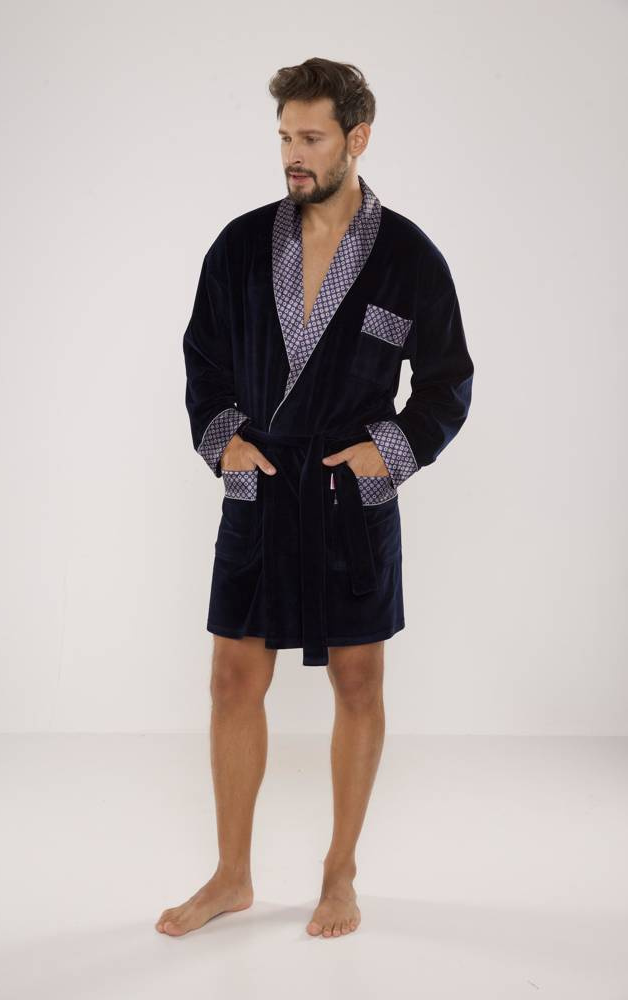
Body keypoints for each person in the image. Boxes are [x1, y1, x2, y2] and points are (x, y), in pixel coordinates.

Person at [156, 57, 473, 939]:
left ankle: (340, 873)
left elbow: (447, 380)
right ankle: (231, 876)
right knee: (231, 679)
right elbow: (203, 360)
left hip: (347, 495)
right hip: (261, 486)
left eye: (310, 138)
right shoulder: (239, 246)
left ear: (355, 138)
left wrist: (388, 453)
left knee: (358, 680)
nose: (292, 155)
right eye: (283, 138)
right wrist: (226, 441)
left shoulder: (407, 258)